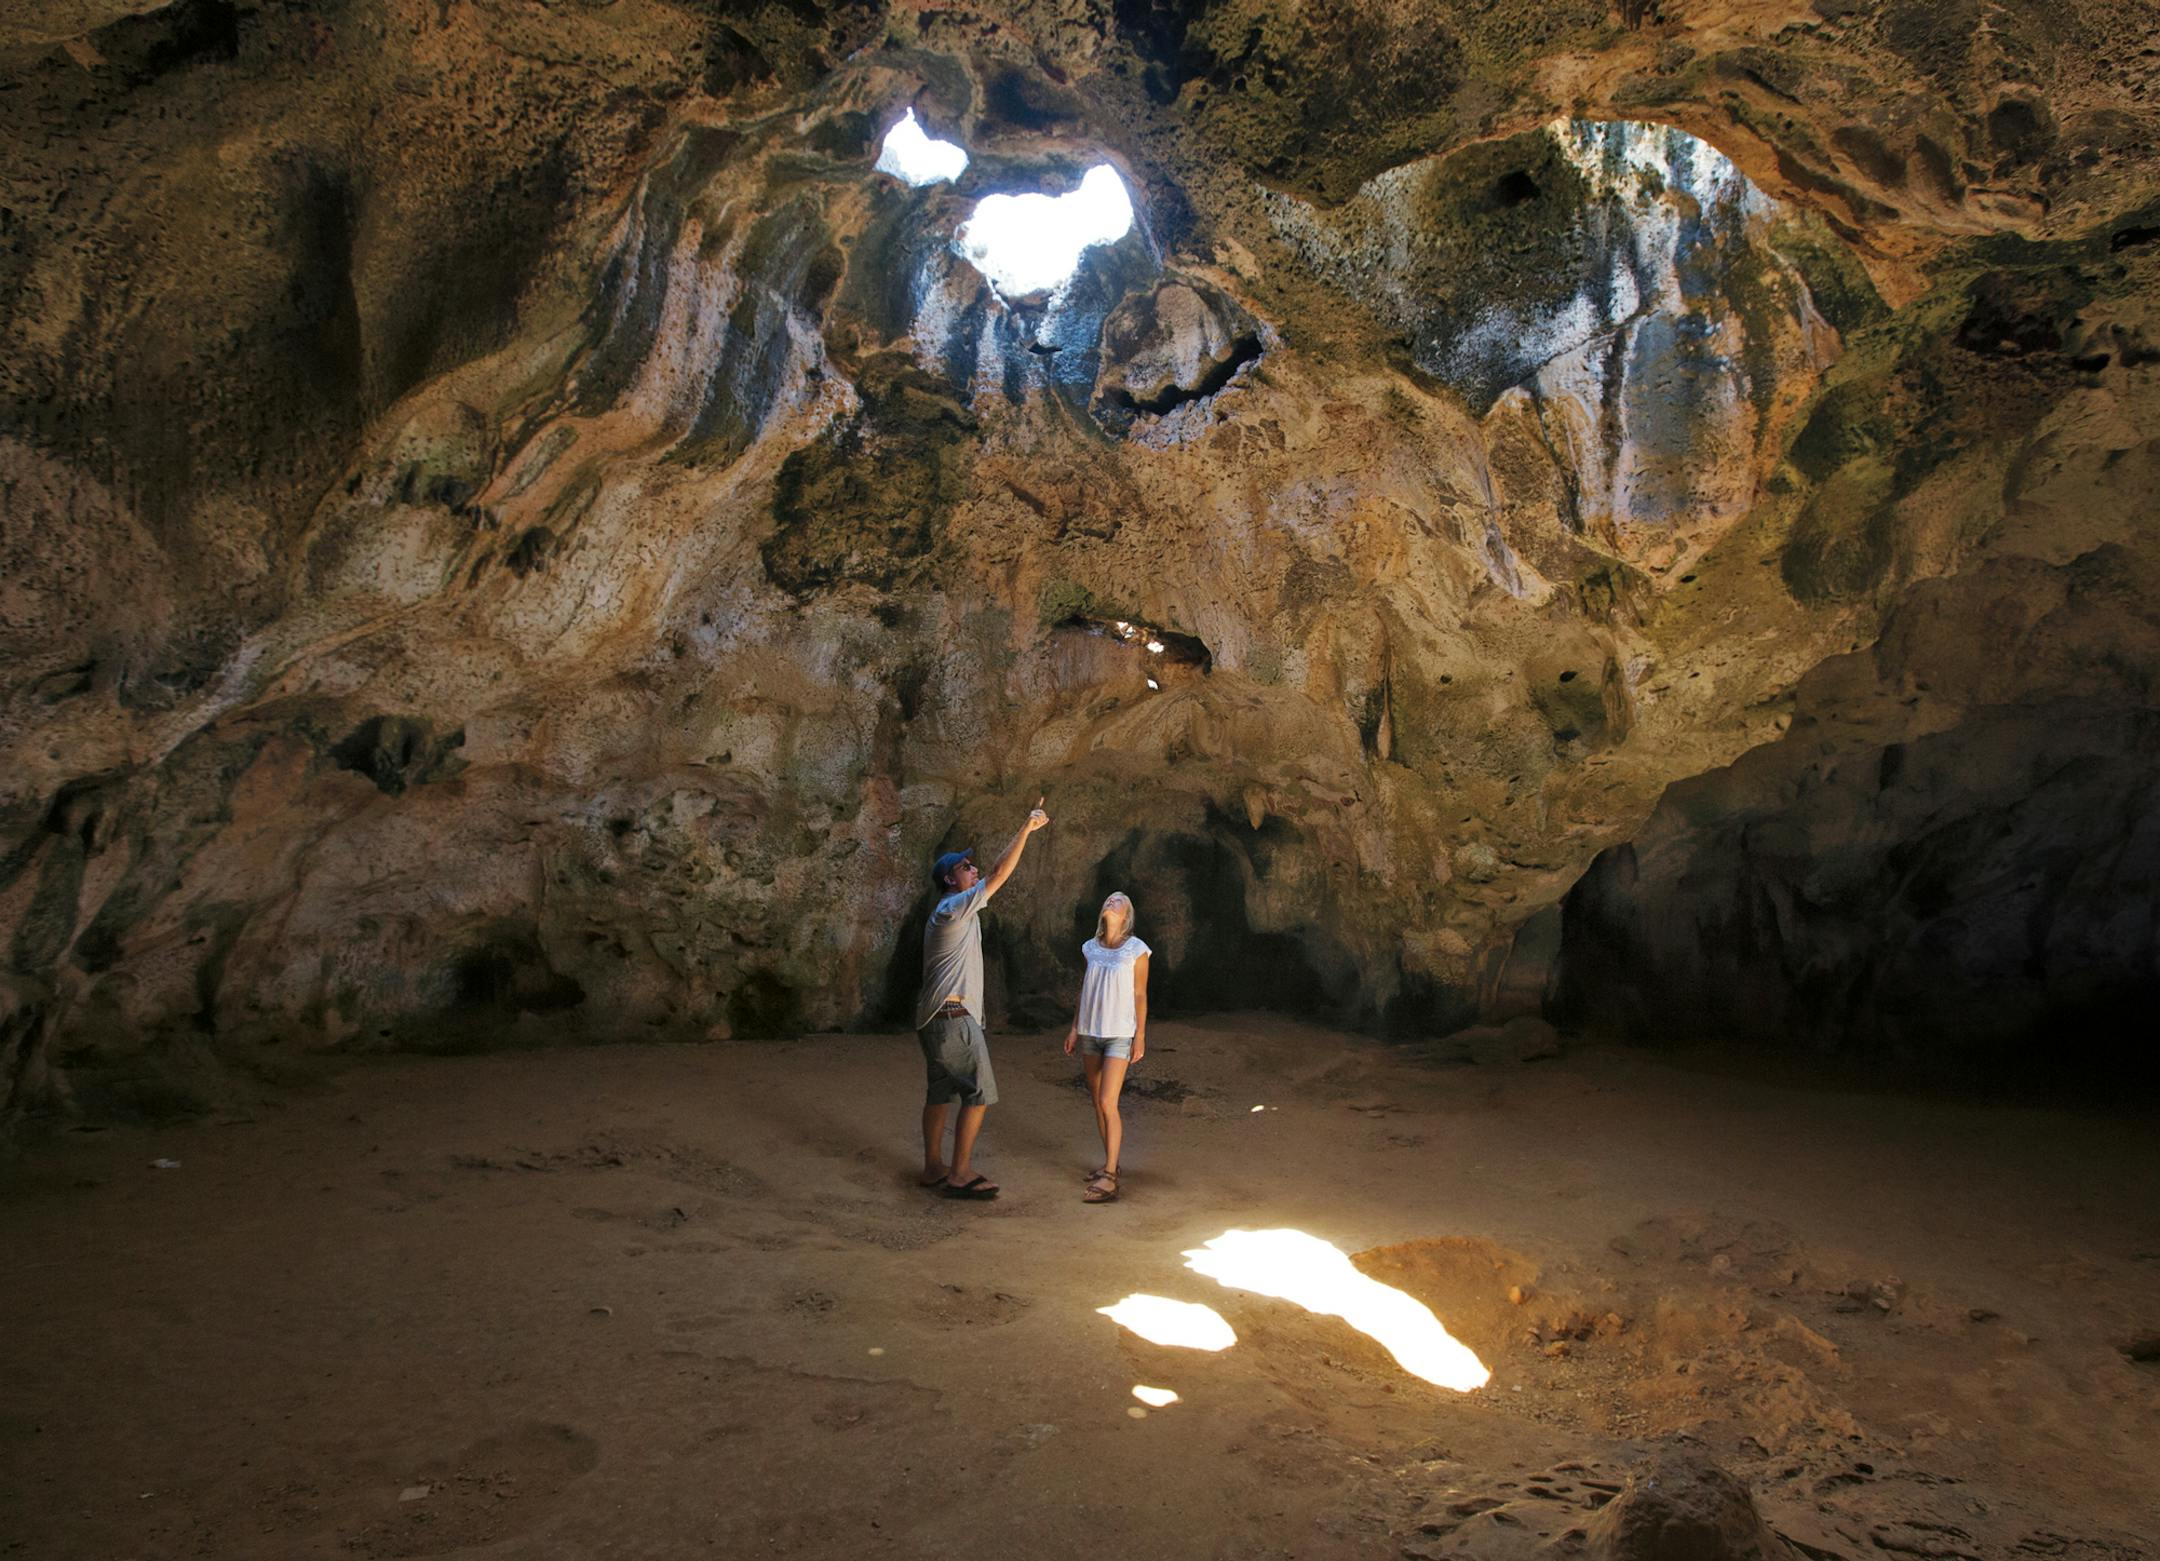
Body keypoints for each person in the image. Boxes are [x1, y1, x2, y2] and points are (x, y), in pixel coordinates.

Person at [914, 797, 1050, 1200]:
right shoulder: (954, 909)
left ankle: (932, 1167)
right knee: (979, 1093)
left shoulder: (951, 912)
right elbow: (998, 873)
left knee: (939, 1092)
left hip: (934, 1020)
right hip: (954, 1018)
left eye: (970, 865)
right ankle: (959, 1173)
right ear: (951, 880)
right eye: (964, 867)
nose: (973, 869)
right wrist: (1026, 828)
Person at [1061, 891, 1150, 1205]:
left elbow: (1140, 994)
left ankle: (1110, 1175)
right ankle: (1108, 1163)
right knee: (1097, 1101)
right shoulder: (1090, 948)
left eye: (1121, 901)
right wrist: (1074, 1028)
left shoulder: (1136, 949)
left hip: (1119, 1035)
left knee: (1107, 1100)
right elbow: (1085, 990)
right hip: (1089, 1032)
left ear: (1127, 916)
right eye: (1110, 899)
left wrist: (1140, 1035)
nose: (1113, 901)